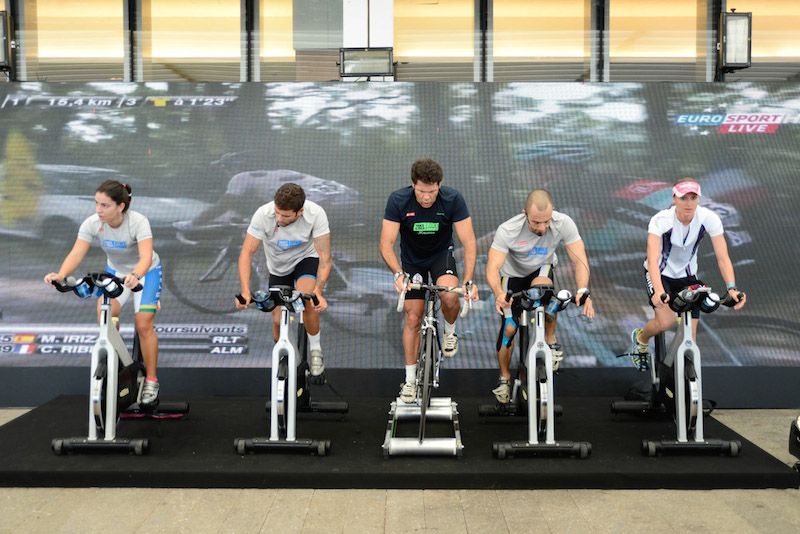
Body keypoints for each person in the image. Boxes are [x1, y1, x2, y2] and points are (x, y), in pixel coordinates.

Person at [44, 180, 163, 407]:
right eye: (96, 203)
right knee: (104, 314)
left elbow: (146, 257)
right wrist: (61, 275)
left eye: (105, 205)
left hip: (146, 272)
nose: (98, 209)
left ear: (121, 206)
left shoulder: (138, 221)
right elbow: (77, 253)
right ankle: (119, 366)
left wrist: (136, 275)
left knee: (144, 323)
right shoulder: (92, 223)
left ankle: (151, 381)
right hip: (117, 272)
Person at [379, 158, 479, 403]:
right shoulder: (398, 200)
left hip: (440, 257)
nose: (426, 197)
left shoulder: (453, 199)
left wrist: (468, 280)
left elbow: (469, 242)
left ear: (439, 185)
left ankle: (450, 331)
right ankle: (410, 381)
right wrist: (398, 273)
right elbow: (386, 244)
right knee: (413, 316)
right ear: (413, 184)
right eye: (421, 191)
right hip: (412, 262)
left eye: (432, 192)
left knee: (450, 296)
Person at [485, 189, 595, 404]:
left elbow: (579, 259)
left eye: (546, 221)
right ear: (524, 213)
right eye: (536, 222)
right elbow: (492, 266)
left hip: (541, 270)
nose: (543, 228)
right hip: (512, 276)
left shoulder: (563, 223)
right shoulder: (508, 229)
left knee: (547, 294)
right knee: (509, 328)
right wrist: (498, 293)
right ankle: (505, 378)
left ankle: (550, 341)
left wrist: (583, 289)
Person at [629, 178, 746, 370]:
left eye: (693, 198)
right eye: (684, 198)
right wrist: (659, 291)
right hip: (660, 274)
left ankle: (682, 379)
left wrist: (732, 288)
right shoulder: (661, 220)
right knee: (665, 322)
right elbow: (652, 260)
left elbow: (723, 257)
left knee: (691, 339)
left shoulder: (709, 218)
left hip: (688, 277)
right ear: (674, 198)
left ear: (699, 199)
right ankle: (640, 338)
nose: (688, 203)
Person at [235, 182, 331, 376]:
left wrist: (318, 291)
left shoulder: (316, 214)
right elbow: (246, 253)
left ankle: (315, 351)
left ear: (300, 211)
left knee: (307, 300)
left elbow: (325, 258)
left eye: (285, 216)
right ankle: (283, 357)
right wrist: (245, 291)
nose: (279, 218)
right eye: (277, 212)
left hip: (306, 259)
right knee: (277, 320)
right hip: (278, 267)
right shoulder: (263, 214)